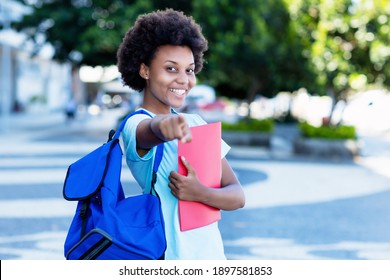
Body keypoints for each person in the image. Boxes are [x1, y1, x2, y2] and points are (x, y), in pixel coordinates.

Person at [117, 8, 245, 260]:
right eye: (171, 68)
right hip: (169, 257)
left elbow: (237, 195)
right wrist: (164, 127)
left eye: (189, 70)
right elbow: (149, 132)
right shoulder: (134, 124)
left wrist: (200, 193)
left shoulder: (195, 122)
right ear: (144, 70)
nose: (183, 79)